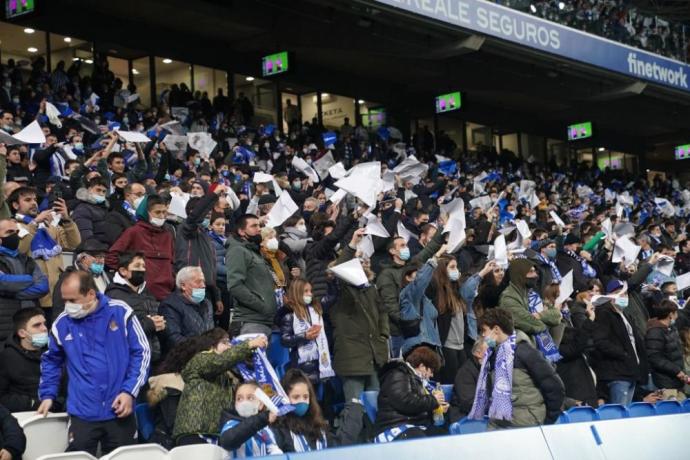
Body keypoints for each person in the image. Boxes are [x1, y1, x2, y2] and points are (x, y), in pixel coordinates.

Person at [38, 269, 151, 456]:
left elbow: (142, 352)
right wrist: (48, 394)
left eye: (72, 300)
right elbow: (51, 361)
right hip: (82, 412)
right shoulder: (61, 323)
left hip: (119, 410)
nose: (67, 306)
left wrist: (129, 391)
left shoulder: (120, 312)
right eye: (64, 300)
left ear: (91, 294)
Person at [468, 308, 565, 429]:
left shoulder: (525, 352)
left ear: (496, 330)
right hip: (499, 421)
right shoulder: (492, 356)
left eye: (484, 330)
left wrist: (548, 420)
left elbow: (554, 386)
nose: (482, 335)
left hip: (527, 422)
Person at [173, 330, 266, 445]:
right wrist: (249, 345)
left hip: (215, 435)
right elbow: (221, 361)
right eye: (225, 342)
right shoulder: (200, 359)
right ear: (211, 345)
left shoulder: (226, 374)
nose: (230, 346)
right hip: (195, 432)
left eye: (230, 343)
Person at [329, 229, 389, 401]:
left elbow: (382, 311)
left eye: (364, 261)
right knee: (355, 406)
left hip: (373, 356)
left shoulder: (370, 288)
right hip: (352, 359)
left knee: (375, 406)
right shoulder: (340, 288)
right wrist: (353, 244)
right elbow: (341, 267)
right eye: (358, 262)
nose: (364, 264)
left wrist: (383, 334)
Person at [10, 187, 81, 317]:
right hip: (33, 295)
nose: (33, 203)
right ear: (15, 205)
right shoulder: (12, 226)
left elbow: (73, 244)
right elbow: (20, 249)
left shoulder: (48, 225)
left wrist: (66, 219)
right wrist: (34, 222)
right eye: (27, 200)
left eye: (35, 199)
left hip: (58, 293)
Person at [378, 224, 445, 358]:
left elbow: (431, 248)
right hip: (400, 332)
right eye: (402, 246)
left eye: (406, 245)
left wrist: (443, 228)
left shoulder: (413, 265)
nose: (406, 248)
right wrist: (407, 321)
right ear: (392, 251)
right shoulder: (386, 274)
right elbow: (390, 304)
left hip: (420, 329)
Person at [106, 194, 175, 301]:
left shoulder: (168, 235)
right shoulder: (134, 232)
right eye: (157, 212)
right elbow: (111, 257)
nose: (162, 216)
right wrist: (131, 277)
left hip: (167, 295)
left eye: (164, 212)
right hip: (142, 297)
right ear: (146, 213)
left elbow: (173, 263)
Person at [592, 279, 648, 405]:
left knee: (626, 414)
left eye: (626, 294)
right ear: (611, 296)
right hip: (617, 374)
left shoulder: (626, 316)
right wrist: (623, 354)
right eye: (620, 293)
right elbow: (600, 342)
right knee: (618, 415)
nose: (624, 297)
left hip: (630, 373)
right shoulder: (604, 314)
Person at [374, 346, 446, 441]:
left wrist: (437, 408)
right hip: (394, 427)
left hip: (414, 426)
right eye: (431, 371)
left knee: (443, 437)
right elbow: (405, 402)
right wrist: (433, 400)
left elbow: (418, 408)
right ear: (422, 366)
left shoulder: (418, 380)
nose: (432, 375)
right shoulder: (398, 374)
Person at [105, 252, 165, 365]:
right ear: (123, 271)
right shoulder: (114, 296)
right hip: (129, 360)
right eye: (137, 266)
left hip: (151, 357)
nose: (142, 270)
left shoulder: (146, 293)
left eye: (143, 266)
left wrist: (160, 322)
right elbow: (117, 329)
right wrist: (150, 324)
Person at [226, 214, 277, 337]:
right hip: (250, 322)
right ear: (241, 232)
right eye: (254, 226)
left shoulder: (253, 250)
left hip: (262, 321)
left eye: (259, 225)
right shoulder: (238, 250)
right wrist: (263, 306)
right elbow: (235, 286)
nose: (259, 229)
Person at [0, 218, 49, 341]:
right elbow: (2, 282)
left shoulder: (28, 260)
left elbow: (43, 287)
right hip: (4, 326)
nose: (15, 236)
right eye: (9, 232)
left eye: (17, 232)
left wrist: (10, 293)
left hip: (31, 325)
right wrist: (29, 279)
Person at [277, 278, 334, 385]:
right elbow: (284, 340)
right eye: (306, 291)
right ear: (297, 293)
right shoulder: (289, 316)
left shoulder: (316, 309)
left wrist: (331, 280)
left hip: (321, 367)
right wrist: (305, 336)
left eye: (311, 291)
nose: (310, 294)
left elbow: (331, 297)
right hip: (302, 369)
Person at [0, 308, 50, 412]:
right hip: (25, 415)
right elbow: (2, 397)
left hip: (58, 413)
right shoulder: (7, 357)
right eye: (37, 325)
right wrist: (33, 403)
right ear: (22, 333)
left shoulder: (54, 353)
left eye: (44, 324)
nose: (44, 328)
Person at [427, 254, 467, 383]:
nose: (456, 270)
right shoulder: (437, 292)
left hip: (460, 346)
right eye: (452, 267)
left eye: (456, 267)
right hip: (447, 346)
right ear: (443, 270)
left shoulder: (457, 290)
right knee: (450, 382)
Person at [399, 248, 446, 356]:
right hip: (418, 348)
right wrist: (436, 256)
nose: (422, 275)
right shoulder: (408, 294)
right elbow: (420, 281)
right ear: (407, 277)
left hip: (431, 347)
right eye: (418, 273)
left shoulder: (425, 298)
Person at [271, 369, 330, 452]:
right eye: (296, 397)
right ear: (285, 399)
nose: (302, 401)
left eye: (305, 397)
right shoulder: (279, 429)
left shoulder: (320, 427)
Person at [218, 381, 282, 457]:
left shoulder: (265, 429)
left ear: (261, 404)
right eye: (239, 399)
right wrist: (262, 418)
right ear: (235, 404)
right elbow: (228, 441)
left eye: (250, 398)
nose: (244, 402)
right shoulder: (231, 424)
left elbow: (275, 452)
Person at [159, 266, 215, 351]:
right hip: (182, 358)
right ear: (183, 286)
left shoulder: (207, 304)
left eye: (203, 282)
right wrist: (201, 350)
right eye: (198, 282)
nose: (203, 286)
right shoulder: (169, 306)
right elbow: (174, 339)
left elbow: (212, 333)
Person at [645, 300, 687, 401]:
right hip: (665, 383)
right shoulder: (655, 332)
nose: (677, 316)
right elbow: (655, 357)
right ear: (670, 315)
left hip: (676, 381)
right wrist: (676, 371)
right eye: (676, 312)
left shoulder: (671, 329)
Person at [448, 340, 487, 423]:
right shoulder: (465, 372)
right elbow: (469, 403)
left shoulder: (486, 370)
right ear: (478, 353)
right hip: (464, 418)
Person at [71, 176, 111, 245]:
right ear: (89, 189)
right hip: (93, 251)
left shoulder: (106, 209)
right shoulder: (82, 209)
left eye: (104, 191)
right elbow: (86, 237)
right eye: (98, 190)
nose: (101, 194)